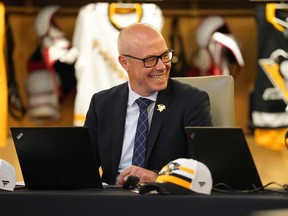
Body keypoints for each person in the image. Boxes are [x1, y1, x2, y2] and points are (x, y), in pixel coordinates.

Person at [84, 23, 213, 186]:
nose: (162, 66)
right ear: (125, 62)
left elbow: (201, 166)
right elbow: (82, 166)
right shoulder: (102, 103)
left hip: (163, 198)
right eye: (150, 60)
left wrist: (158, 177)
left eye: (165, 56)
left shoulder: (192, 101)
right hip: (112, 199)